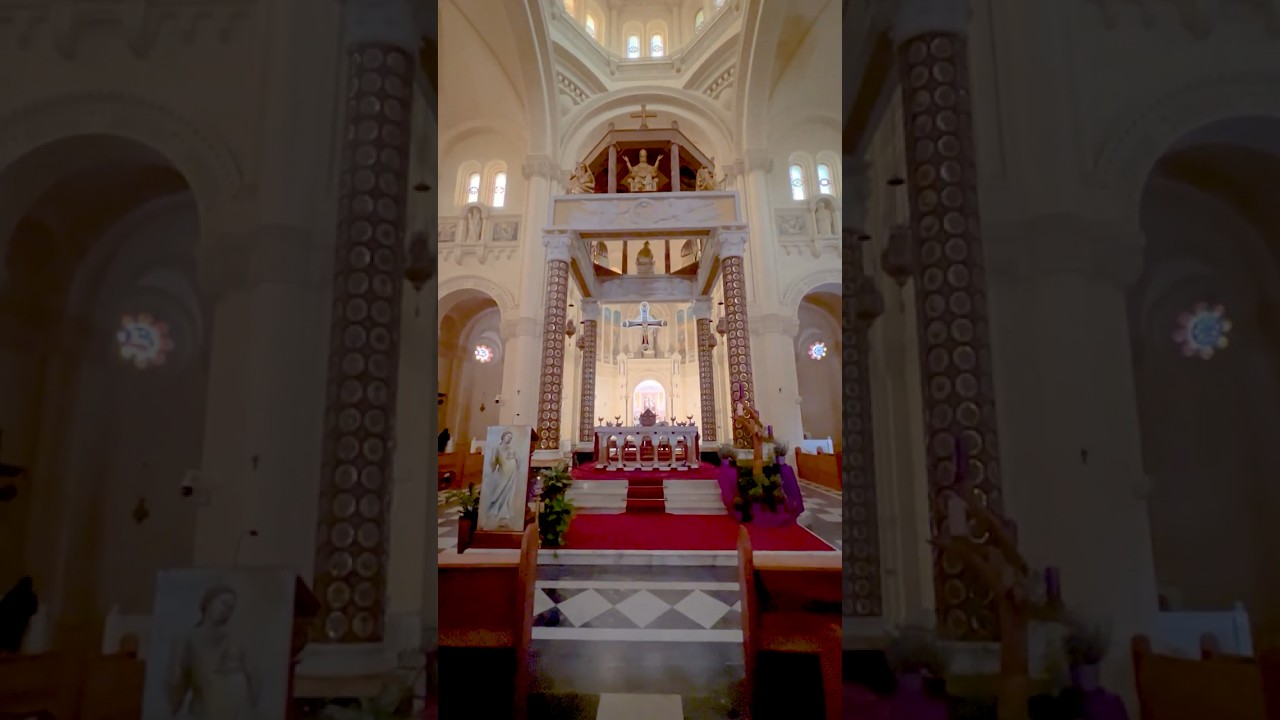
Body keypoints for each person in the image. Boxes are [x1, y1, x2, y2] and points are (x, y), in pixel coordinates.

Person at [167, 585, 260, 719]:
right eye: (223, 603)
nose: (226, 610)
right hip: (204, 712)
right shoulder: (188, 638)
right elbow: (178, 680)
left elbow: (254, 677)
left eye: (230, 608)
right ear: (208, 602)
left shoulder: (237, 640)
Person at [483, 430, 521, 530]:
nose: (509, 439)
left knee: (508, 494)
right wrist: (491, 470)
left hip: (511, 474)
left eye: (511, 438)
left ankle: (503, 516)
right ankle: (492, 513)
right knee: (498, 491)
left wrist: (515, 463)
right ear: (503, 437)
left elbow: (518, 460)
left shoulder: (512, 448)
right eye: (508, 436)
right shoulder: (497, 447)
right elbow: (493, 460)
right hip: (502, 473)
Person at [0, 576, 37, 653]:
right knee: (14, 644)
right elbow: (33, 610)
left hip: (7, 622)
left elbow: (3, 606)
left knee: (4, 642)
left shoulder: (12, 593)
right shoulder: (31, 596)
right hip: (21, 623)